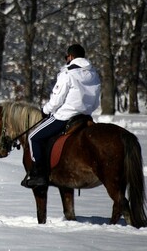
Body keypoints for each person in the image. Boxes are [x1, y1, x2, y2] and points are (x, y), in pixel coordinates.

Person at [23, 43, 101, 188]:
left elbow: (56, 100)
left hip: (65, 116)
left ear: (70, 57)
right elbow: (96, 103)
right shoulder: (94, 74)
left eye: (67, 57)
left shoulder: (67, 73)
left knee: (33, 137)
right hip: (85, 117)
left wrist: (45, 110)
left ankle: (38, 174)